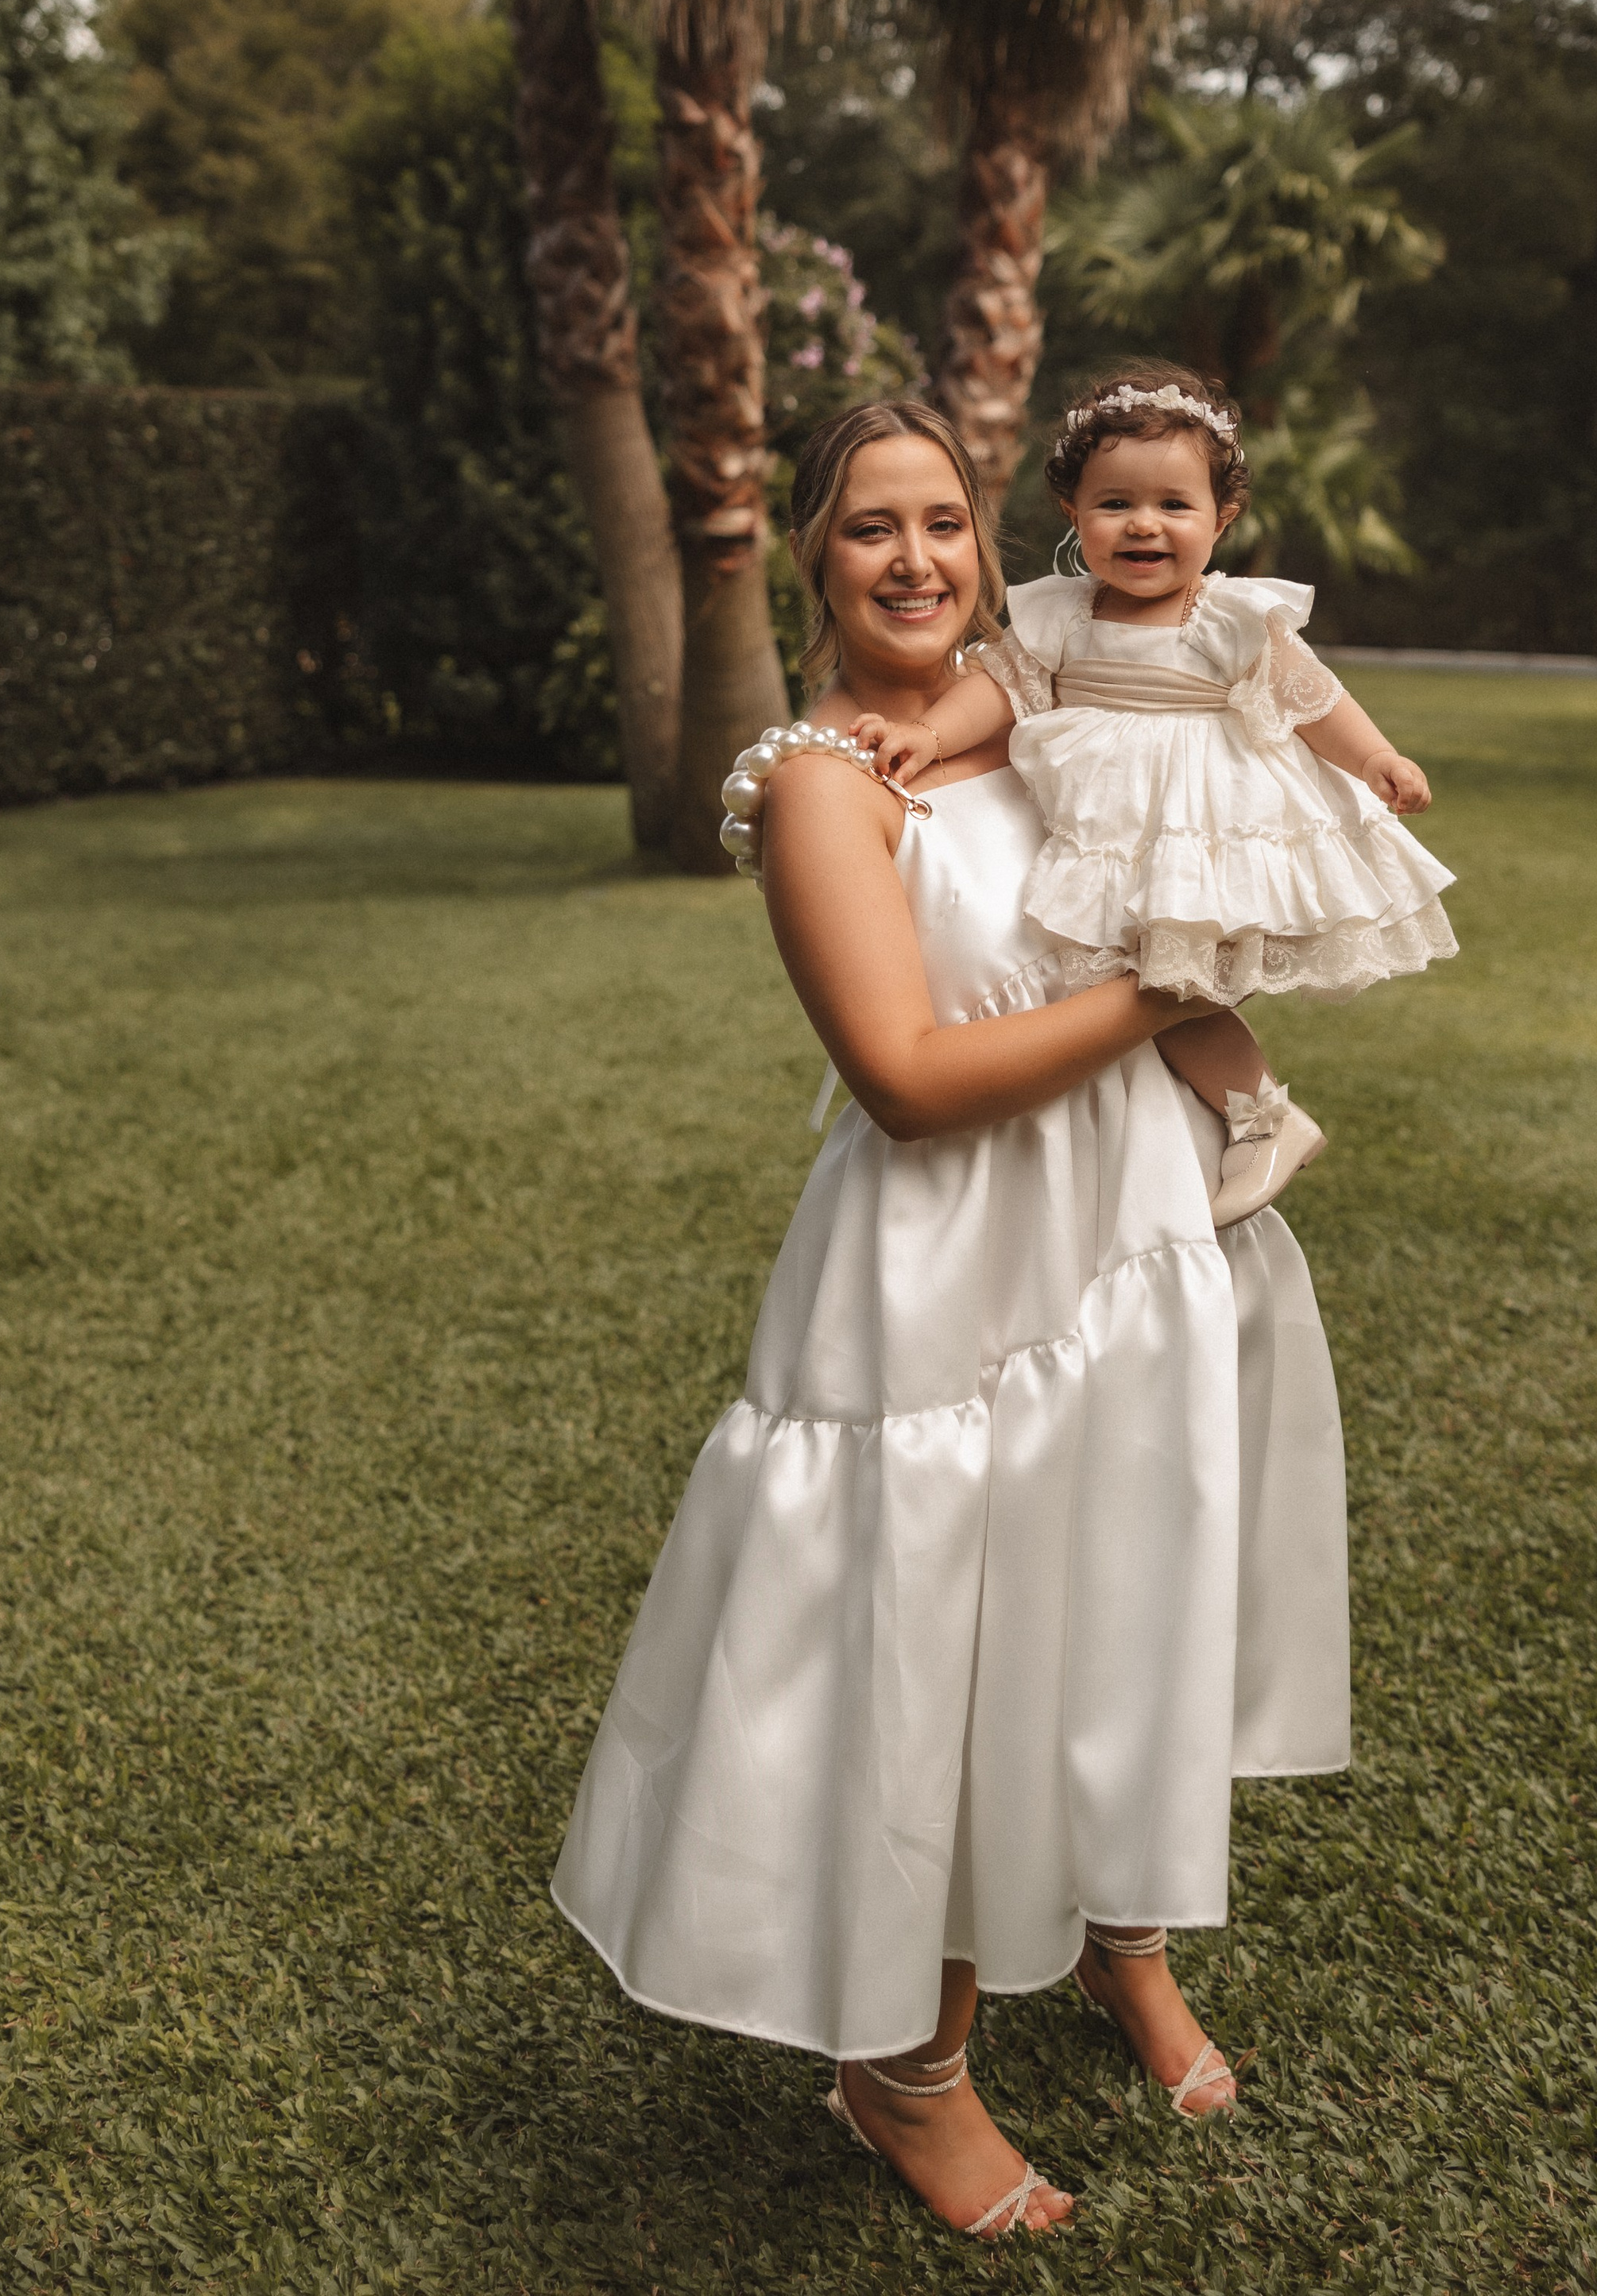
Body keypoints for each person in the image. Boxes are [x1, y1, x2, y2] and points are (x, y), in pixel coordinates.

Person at [553, 399, 1357, 2241]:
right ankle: (903, 2070)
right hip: (950, 1273)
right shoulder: (823, 780)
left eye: (942, 522)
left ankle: (1114, 1938)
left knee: (1120, 1592)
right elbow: (909, 1076)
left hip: (1122, 1226)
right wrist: (1174, 984)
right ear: (810, 561)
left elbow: (1232, 707)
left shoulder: (1037, 699)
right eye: (866, 530)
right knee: (957, 1646)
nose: (914, 560)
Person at [849, 362, 1458, 1224]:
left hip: (1205, 821)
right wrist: (930, 734)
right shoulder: (1062, 613)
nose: (1144, 526)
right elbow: (999, 685)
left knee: (1166, 977)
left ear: (1223, 519)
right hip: (1110, 825)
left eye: (1174, 506)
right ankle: (1219, 1122)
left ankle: (1260, 1115)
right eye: (1115, 505)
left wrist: (1376, 760)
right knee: (1114, 979)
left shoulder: (1227, 616)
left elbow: (1310, 695)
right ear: (1072, 513)